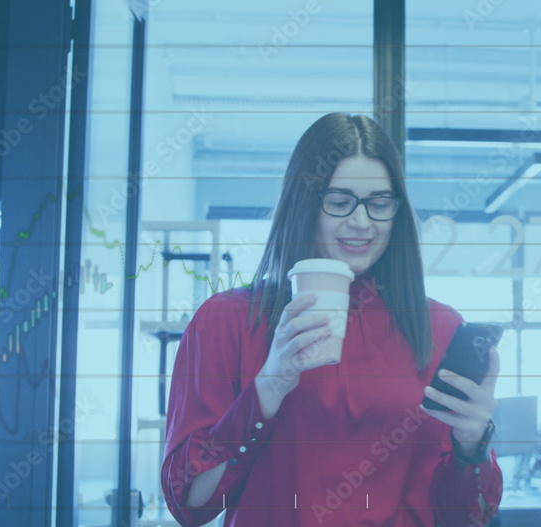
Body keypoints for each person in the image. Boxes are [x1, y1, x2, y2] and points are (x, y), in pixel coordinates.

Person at [161, 113, 503, 527]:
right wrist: (269, 386)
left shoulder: (440, 327)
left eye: (379, 204)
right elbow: (190, 503)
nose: (361, 223)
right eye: (339, 202)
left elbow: (465, 518)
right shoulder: (228, 321)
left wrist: (473, 444)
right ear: (304, 203)